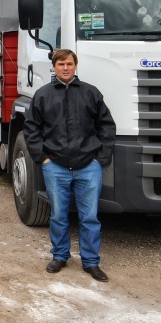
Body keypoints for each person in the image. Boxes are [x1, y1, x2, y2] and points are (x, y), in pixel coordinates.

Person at [23, 49, 116, 282]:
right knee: (58, 216)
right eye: (61, 64)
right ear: (54, 67)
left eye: (69, 64)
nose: (66, 68)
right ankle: (60, 256)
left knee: (89, 218)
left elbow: (106, 126)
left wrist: (100, 159)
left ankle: (91, 262)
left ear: (75, 66)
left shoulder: (90, 93)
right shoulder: (43, 95)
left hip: (88, 167)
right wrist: (43, 159)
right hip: (55, 166)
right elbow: (31, 129)